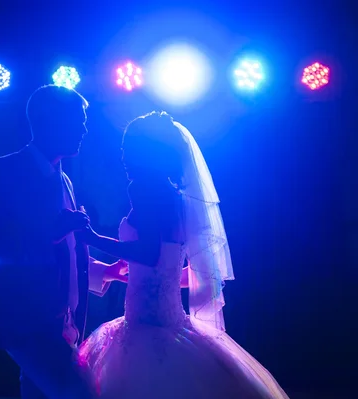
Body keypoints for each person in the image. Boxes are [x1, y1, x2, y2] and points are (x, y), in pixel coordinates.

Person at [78, 111, 289, 398]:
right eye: (123, 149)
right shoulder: (173, 194)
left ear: (147, 153)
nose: (124, 157)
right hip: (171, 321)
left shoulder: (143, 189)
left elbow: (149, 252)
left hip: (145, 324)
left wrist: (92, 238)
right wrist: (141, 276)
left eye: (129, 149)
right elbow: (167, 260)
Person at [0, 84, 128, 399]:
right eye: (77, 121)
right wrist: (48, 233)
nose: (84, 129)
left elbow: (62, 251)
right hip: (24, 321)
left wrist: (102, 271)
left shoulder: (64, 179)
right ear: (49, 122)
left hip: (61, 323)